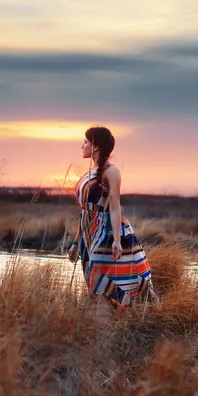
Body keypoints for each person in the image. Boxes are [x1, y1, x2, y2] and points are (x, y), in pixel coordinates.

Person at [67, 125, 158, 314]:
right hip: (88, 235)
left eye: (85, 142)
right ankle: (107, 325)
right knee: (94, 285)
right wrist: (76, 242)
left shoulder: (112, 171)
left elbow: (115, 206)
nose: (81, 146)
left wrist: (116, 240)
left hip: (106, 233)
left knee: (102, 281)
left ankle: (136, 313)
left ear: (96, 147)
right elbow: (85, 211)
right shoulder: (90, 172)